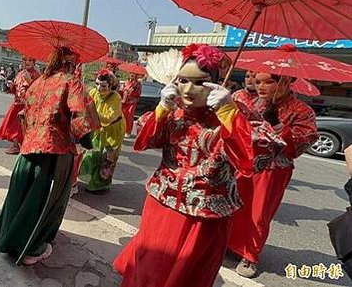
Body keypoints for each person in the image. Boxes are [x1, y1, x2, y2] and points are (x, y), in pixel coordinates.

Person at [113, 44, 284, 287]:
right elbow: (144, 141)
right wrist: (162, 108)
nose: (189, 89)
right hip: (163, 203)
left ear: (217, 82)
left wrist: (228, 114)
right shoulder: (175, 109)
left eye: (200, 82)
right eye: (183, 80)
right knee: (149, 263)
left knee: (187, 273)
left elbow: (263, 152)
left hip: (206, 214)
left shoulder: (237, 110)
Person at [0, 46, 100, 266]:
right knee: (44, 202)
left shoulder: (38, 82)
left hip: (28, 149)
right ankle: (33, 247)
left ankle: (8, 238)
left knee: (20, 195)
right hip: (55, 152)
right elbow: (80, 120)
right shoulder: (72, 82)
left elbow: (23, 114)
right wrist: (87, 142)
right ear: (71, 63)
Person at [228, 72, 318, 278]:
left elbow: (303, 141)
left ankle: (250, 255)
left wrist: (281, 129)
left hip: (273, 170)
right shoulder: (251, 103)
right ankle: (231, 244)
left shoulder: (302, 110)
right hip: (245, 164)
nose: (260, 86)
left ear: (285, 82)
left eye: (269, 81)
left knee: (259, 213)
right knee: (235, 205)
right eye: (258, 81)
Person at [78, 68, 125, 193]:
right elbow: (84, 103)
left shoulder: (116, 98)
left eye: (103, 85)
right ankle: (90, 178)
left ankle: (101, 186)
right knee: (92, 153)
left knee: (107, 158)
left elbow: (111, 117)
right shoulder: (93, 92)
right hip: (99, 128)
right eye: (97, 84)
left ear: (110, 86)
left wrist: (93, 113)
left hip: (113, 131)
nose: (99, 88)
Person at [0, 56, 40, 154]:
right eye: (24, 60)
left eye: (29, 60)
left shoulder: (36, 74)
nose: (26, 62)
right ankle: (15, 145)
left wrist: (30, 81)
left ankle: (25, 145)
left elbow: (38, 90)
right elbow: (15, 89)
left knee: (25, 127)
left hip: (27, 105)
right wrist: (11, 87)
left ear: (34, 62)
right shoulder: (20, 73)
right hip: (17, 103)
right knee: (13, 126)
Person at [120, 72, 142, 137]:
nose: (132, 75)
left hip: (131, 102)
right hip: (124, 101)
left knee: (129, 116)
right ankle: (122, 130)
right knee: (122, 116)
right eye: (131, 73)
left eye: (134, 74)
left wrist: (132, 91)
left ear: (136, 75)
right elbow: (122, 90)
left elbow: (138, 93)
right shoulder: (126, 82)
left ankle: (128, 131)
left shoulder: (138, 84)